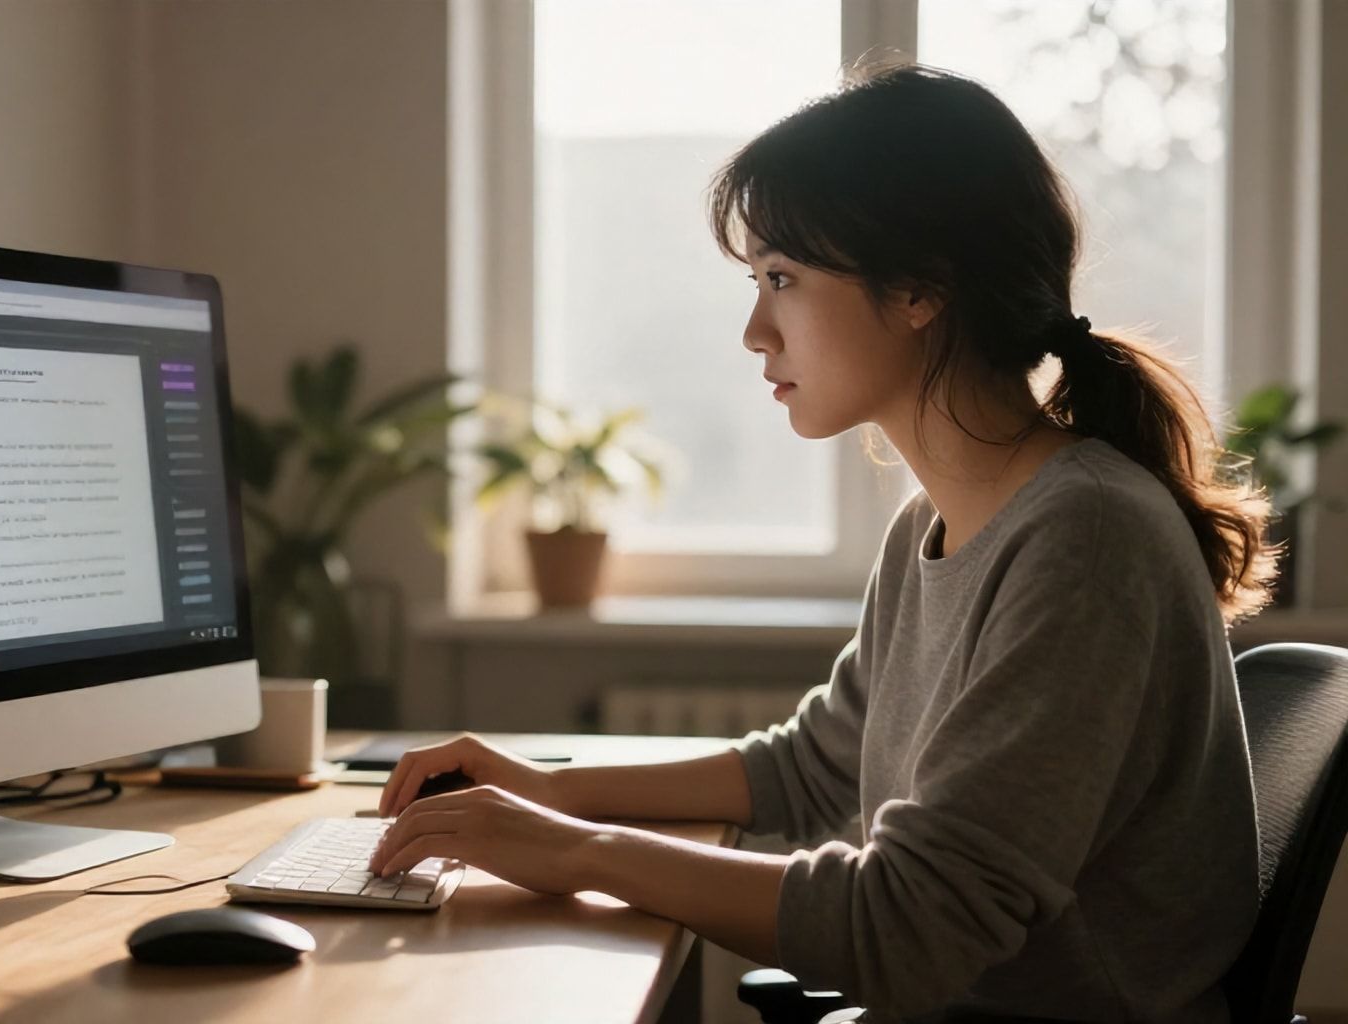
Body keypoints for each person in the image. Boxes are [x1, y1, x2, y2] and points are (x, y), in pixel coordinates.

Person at [364, 61, 1273, 1023]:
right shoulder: (933, 522)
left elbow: (910, 925)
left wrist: (581, 854)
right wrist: (546, 791)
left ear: (922, 289)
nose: (757, 330)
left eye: (783, 279)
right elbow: (808, 768)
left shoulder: (1085, 538)